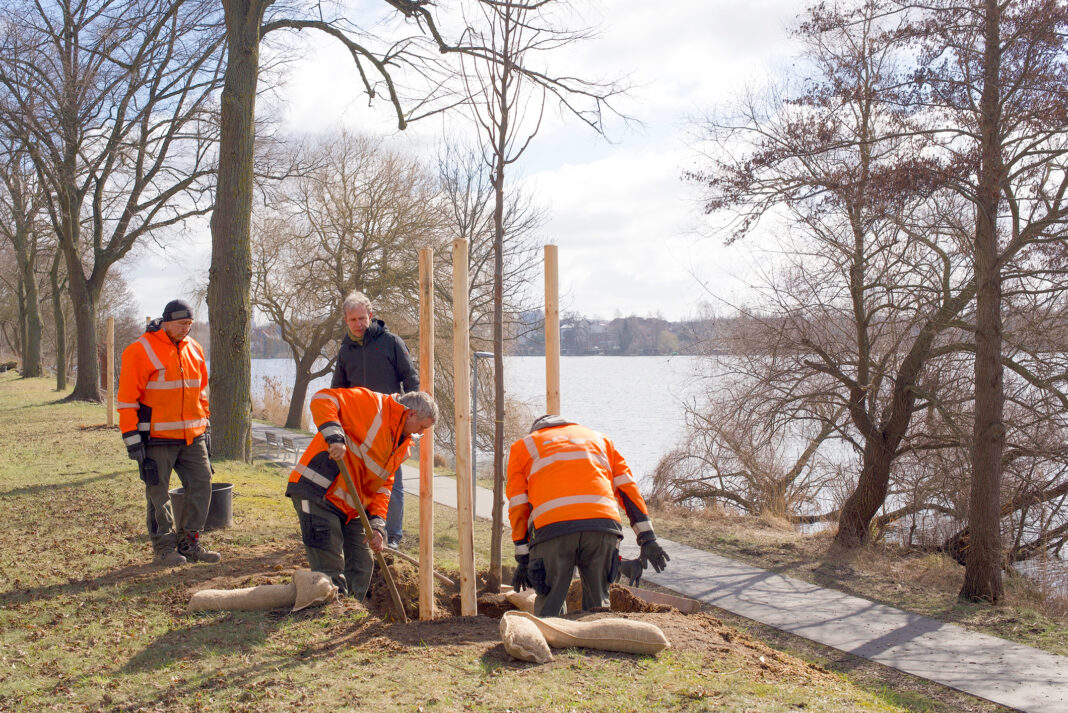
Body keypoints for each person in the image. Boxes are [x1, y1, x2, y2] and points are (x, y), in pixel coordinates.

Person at [507, 415, 670, 617]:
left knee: (550, 602)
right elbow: (628, 489)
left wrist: (523, 555)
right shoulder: (601, 440)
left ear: (537, 429)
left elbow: (518, 504)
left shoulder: (523, 446)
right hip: (603, 529)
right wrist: (647, 538)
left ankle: (550, 639)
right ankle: (599, 642)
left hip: (553, 532)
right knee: (598, 605)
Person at [286, 386, 437, 599]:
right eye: (421, 427)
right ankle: (331, 613)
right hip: (319, 492)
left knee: (362, 564)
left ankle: (350, 608)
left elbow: (383, 487)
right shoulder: (372, 403)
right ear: (411, 413)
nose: (420, 434)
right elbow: (323, 398)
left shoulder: (402, 446)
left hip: (352, 506)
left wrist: (377, 524)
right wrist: (335, 437)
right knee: (330, 566)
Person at [117, 299, 221, 566]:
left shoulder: (195, 350)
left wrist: (205, 426)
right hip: (156, 439)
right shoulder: (139, 351)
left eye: (189, 324)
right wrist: (132, 439)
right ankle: (164, 548)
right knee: (158, 495)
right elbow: (127, 400)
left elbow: (201, 393)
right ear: (165, 322)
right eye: (181, 324)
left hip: (193, 437)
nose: (186, 329)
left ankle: (189, 543)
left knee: (202, 486)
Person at [331, 291, 419, 550]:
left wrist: (412, 415)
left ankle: (392, 536)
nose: (358, 324)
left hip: (391, 425)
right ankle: (363, 532)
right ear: (346, 321)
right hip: (358, 428)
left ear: (370, 315)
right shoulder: (345, 352)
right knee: (357, 482)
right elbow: (338, 391)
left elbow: (411, 379)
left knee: (393, 482)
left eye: (361, 318)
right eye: (352, 320)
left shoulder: (391, 342)